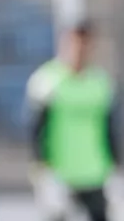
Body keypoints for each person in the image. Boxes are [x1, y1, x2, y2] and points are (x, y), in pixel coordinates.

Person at [27, 20, 120, 221]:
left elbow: (109, 128)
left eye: (85, 44)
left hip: (94, 171)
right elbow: (36, 128)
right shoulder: (47, 80)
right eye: (75, 43)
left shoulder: (100, 82)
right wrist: (41, 168)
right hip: (60, 172)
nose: (79, 50)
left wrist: (115, 166)